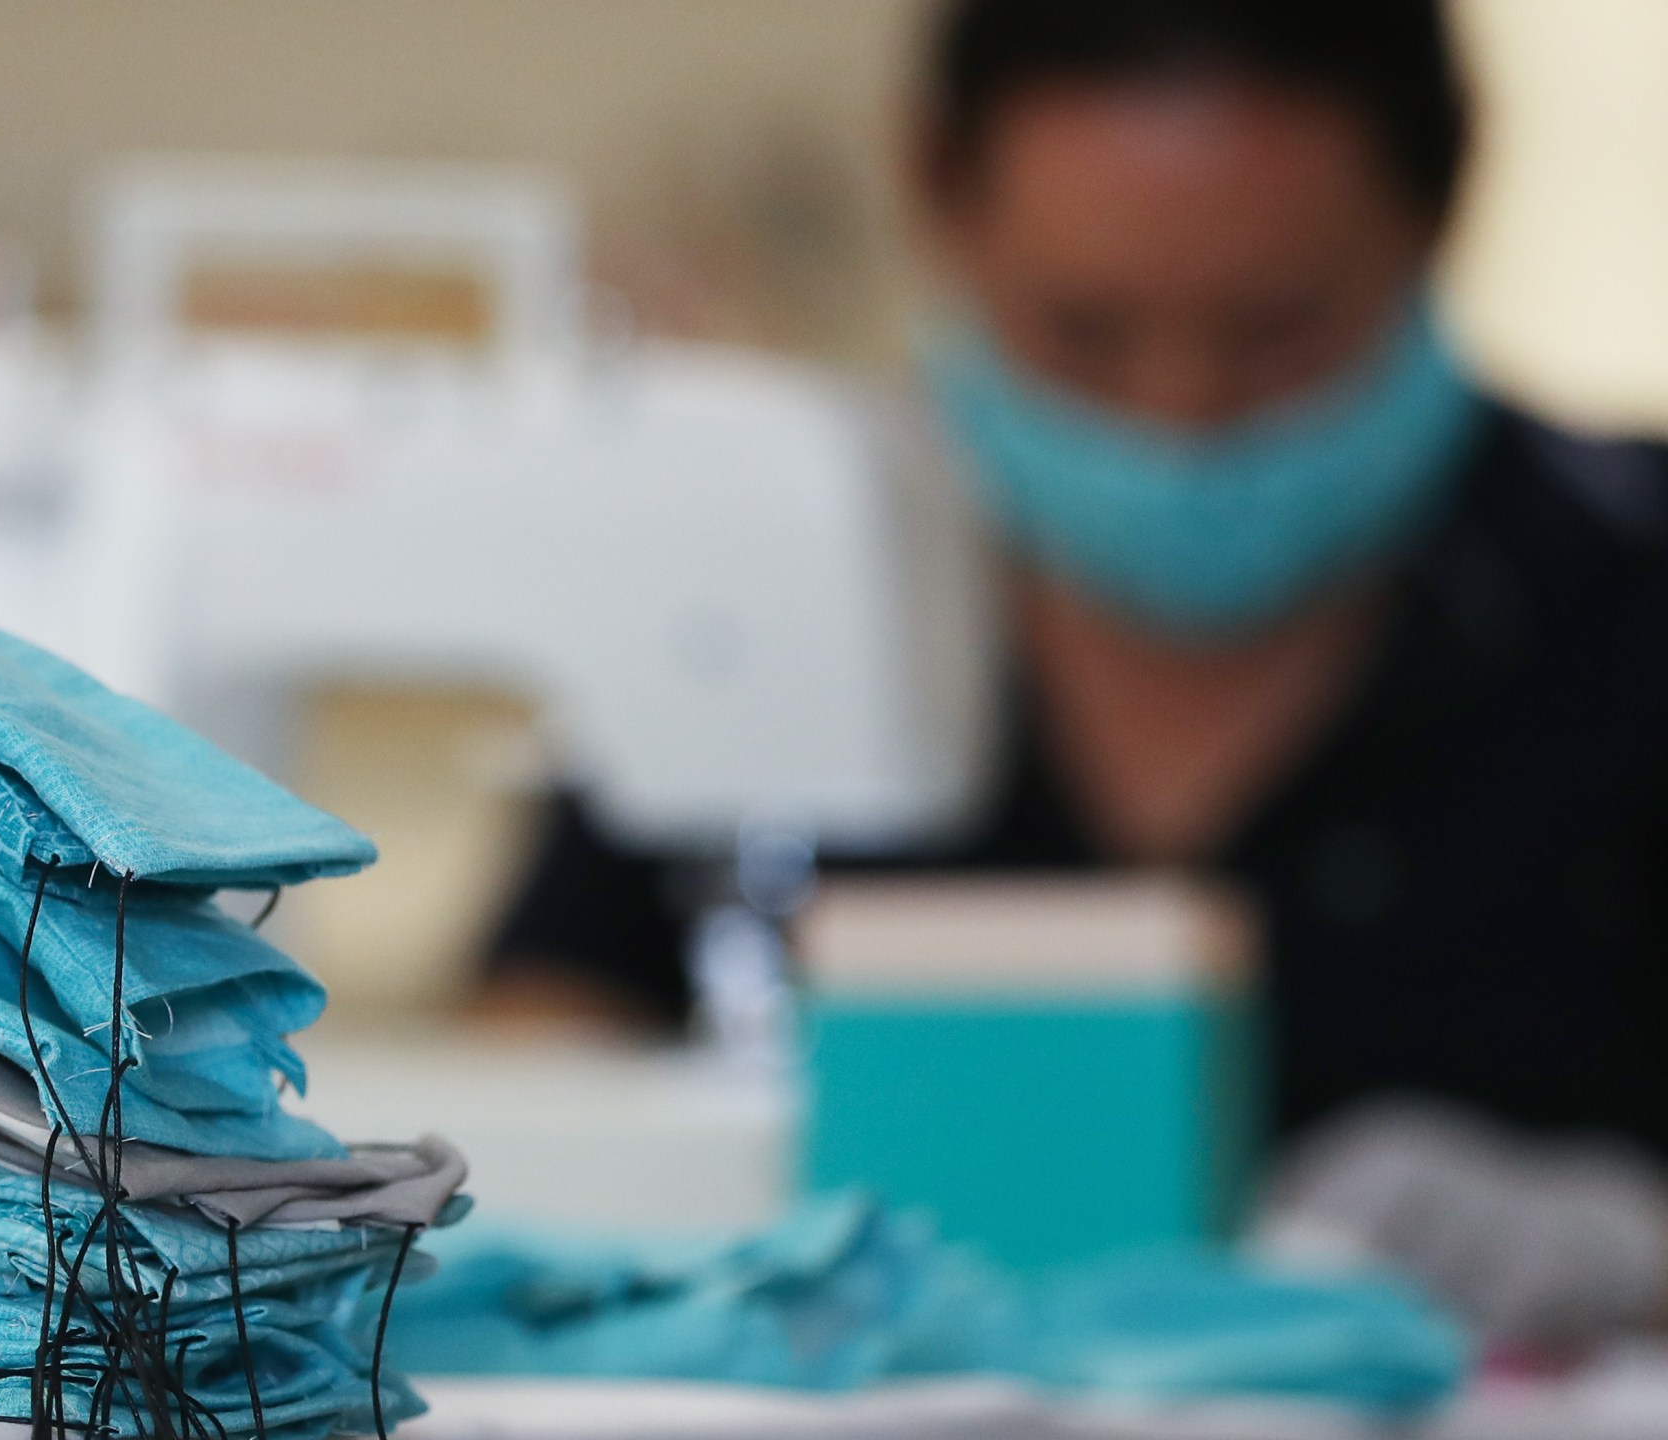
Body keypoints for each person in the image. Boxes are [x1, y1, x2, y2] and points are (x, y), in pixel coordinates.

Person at [484, 0, 1668, 1346]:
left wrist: (1633, 1255)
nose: (1177, 417)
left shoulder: (1627, 597)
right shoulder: (766, 586)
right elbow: (550, 1027)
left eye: (1276, 330)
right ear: (944, 203)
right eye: (1084, 333)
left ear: (1436, 212)